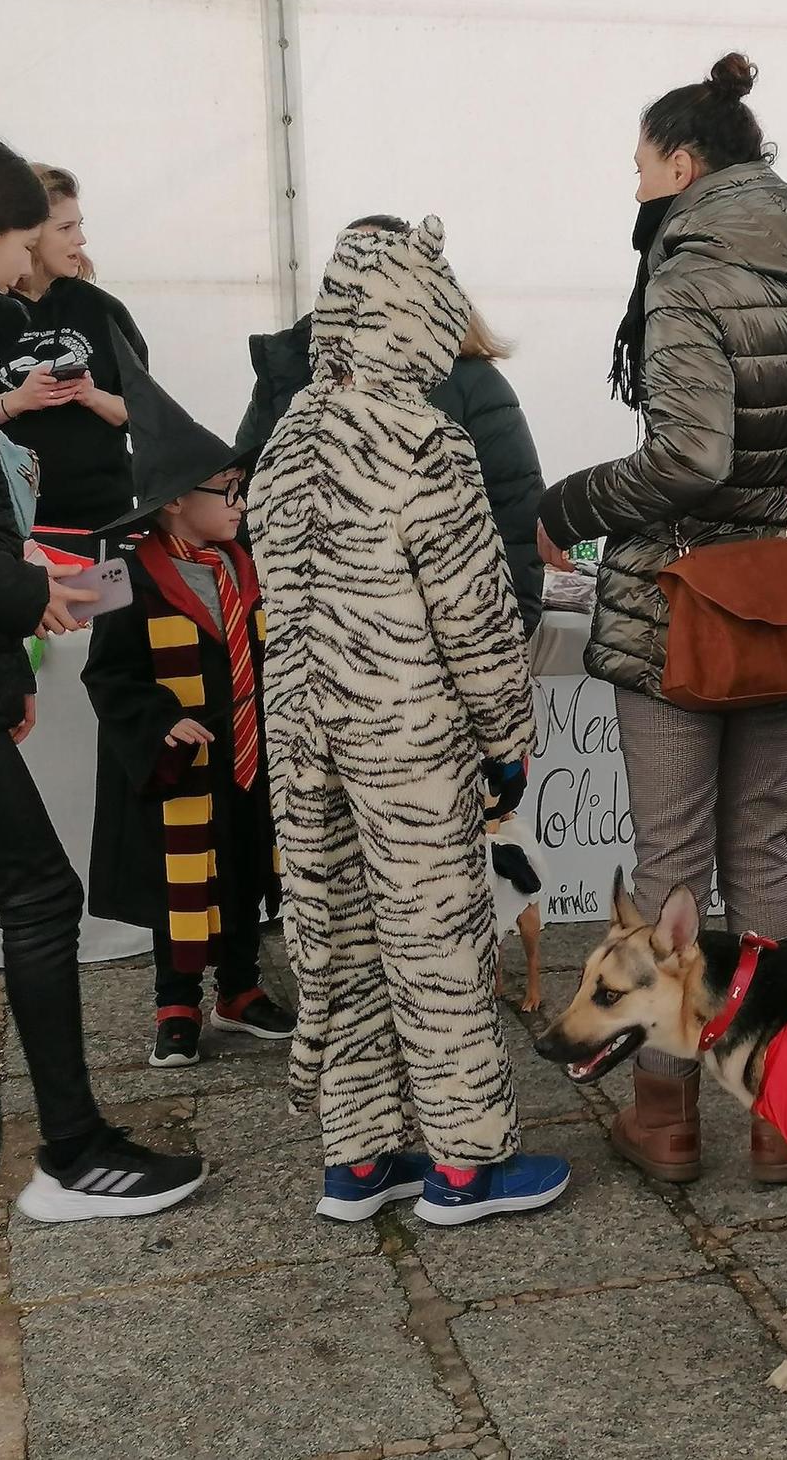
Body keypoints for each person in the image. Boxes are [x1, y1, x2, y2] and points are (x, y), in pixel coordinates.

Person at [0, 133, 206, 1221]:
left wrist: (11, 575)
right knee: (37, 891)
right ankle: (70, 1154)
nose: (31, 269)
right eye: (23, 243)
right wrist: (18, 595)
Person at [535, 51, 787, 1188]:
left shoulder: (685, 267)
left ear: (682, 160)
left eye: (638, 168)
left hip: (678, 602)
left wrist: (566, 504)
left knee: (669, 854)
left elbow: (688, 456)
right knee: (760, 848)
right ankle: (778, 1108)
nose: (634, 190)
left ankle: (665, 1117)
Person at [247, 213, 569, 1226]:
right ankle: (466, 1165)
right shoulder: (424, 441)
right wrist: (504, 743)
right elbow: (473, 618)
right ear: (416, 311)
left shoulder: (286, 435)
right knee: (432, 944)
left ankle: (358, 1160)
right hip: (402, 735)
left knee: (334, 938)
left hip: (303, 736)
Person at [81, 338, 296, 1070]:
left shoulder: (248, 564)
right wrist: (156, 719)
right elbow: (105, 675)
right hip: (176, 766)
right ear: (176, 500)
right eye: (226, 492)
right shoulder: (121, 572)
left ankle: (239, 988)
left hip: (245, 759)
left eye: (241, 489)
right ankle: (176, 1002)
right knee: (182, 883)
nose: (240, 504)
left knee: (242, 875)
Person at [235, 216, 546, 638]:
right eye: (345, 263)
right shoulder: (289, 373)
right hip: (311, 648)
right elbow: (246, 499)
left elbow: (513, 515)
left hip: (424, 653)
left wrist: (504, 633)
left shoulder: (472, 385)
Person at [0, 164, 146, 531]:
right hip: (9, 524)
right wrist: (18, 401)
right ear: (28, 235)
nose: (81, 240)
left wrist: (91, 396)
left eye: (80, 225)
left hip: (105, 517)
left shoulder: (103, 310)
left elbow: (146, 414)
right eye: (65, 228)